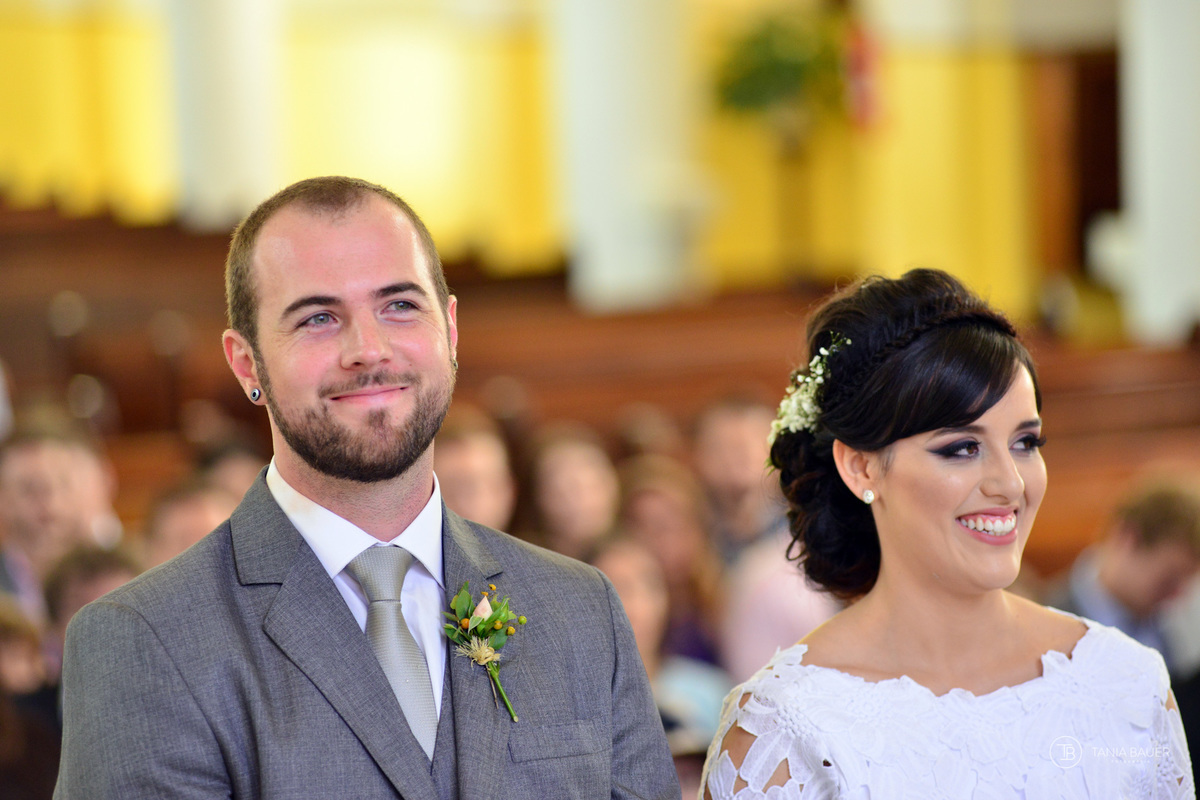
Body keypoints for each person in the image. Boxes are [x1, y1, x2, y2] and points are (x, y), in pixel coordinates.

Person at [55, 176, 678, 799]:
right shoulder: (142, 642)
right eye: (319, 318)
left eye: (400, 305)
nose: (369, 350)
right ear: (246, 363)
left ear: (451, 330)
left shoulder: (579, 609)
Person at [701, 269, 1194, 798]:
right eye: (962, 448)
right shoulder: (782, 732)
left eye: (1026, 442)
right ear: (862, 468)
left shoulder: (1126, 685)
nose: (1009, 483)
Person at [1046, 478, 1200, 677]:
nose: (1178, 595)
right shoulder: (1048, 619)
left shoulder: (1180, 630)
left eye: (1188, 581)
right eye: (1169, 578)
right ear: (1128, 538)